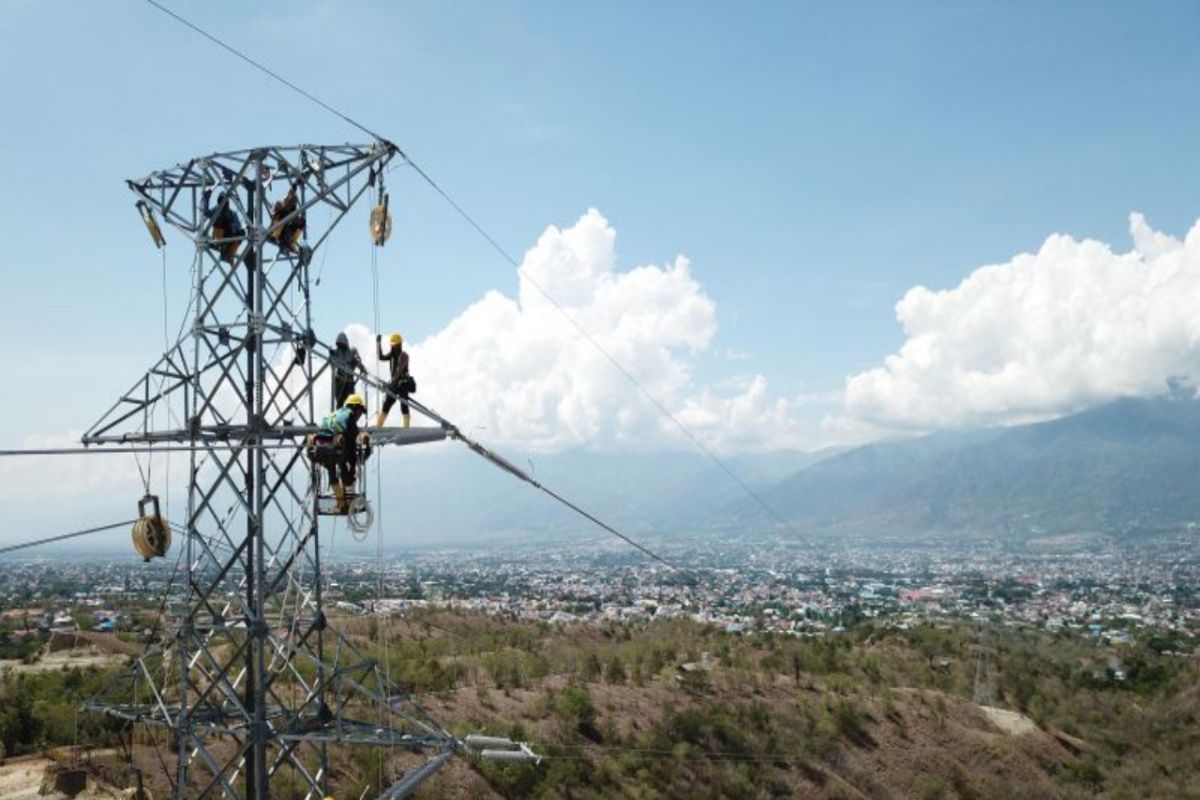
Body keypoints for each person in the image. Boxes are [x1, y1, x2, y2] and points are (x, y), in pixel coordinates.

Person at [312, 393, 367, 512]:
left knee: (332, 471)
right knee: (345, 466)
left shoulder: (335, 413)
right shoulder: (350, 417)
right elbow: (352, 446)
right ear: (354, 408)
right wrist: (352, 468)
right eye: (360, 411)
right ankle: (346, 501)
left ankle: (340, 502)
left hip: (320, 447)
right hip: (334, 447)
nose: (360, 415)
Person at [375, 332, 414, 428]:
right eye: (392, 345)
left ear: (400, 345)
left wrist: (392, 383)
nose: (394, 348)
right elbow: (380, 357)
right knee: (387, 404)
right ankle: (378, 426)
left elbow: (399, 370)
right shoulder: (391, 355)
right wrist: (378, 344)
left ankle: (406, 427)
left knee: (404, 404)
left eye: (395, 345)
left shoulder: (404, 356)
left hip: (403, 384)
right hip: (394, 384)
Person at [330, 332, 365, 410]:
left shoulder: (352, 351)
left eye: (342, 344)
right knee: (339, 403)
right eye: (339, 344)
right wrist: (332, 356)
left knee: (351, 404)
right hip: (339, 381)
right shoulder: (336, 353)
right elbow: (333, 364)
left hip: (349, 382)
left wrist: (357, 362)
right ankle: (339, 420)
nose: (341, 346)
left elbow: (358, 360)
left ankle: (349, 419)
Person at [268, 183, 306, 253]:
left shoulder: (293, 211)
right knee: (284, 217)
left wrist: (297, 221)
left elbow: (297, 222)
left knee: (300, 222)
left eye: (293, 202)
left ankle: (291, 244)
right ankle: (274, 236)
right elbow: (274, 216)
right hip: (277, 230)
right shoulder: (283, 206)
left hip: (286, 233)